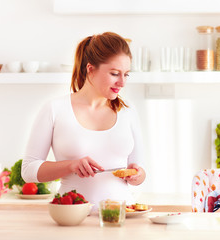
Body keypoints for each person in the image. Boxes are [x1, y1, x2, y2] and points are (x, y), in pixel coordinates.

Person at [22, 32, 146, 209]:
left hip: (122, 216)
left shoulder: (128, 111)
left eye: (126, 75)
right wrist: (71, 166)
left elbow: (140, 172)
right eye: (114, 73)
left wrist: (137, 175)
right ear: (90, 69)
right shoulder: (54, 109)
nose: (122, 82)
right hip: (72, 217)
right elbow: (28, 171)